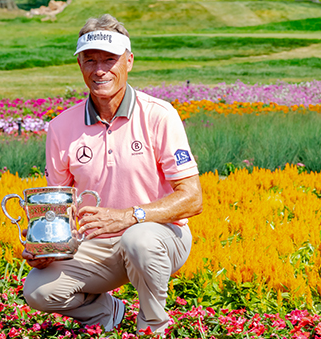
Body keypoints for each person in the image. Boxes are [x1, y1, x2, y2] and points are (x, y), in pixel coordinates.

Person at [22, 14, 203, 335]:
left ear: (129, 61)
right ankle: (106, 312)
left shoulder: (160, 116)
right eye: (90, 60)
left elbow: (192, 198)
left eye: (110, 59)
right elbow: (57, 209)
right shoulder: (61, 127)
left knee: (139, 237)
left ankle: (152, 327)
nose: (100, 70)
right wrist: (46, 249)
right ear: (80, 65)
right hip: (96, 245)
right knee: (38, 289)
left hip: (160, 237)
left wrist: (129, 217)